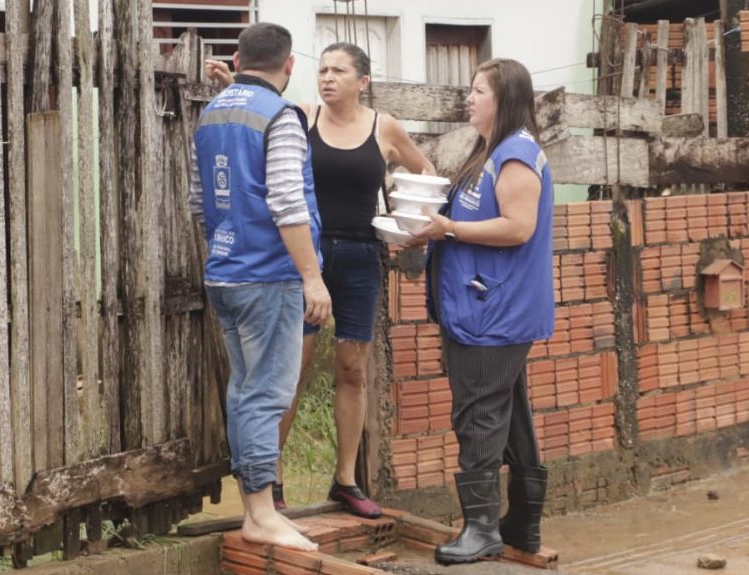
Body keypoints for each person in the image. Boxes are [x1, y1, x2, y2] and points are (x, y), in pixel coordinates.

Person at [207, 43, 436, 518]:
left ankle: (345, 481)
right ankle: (272, 483)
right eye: (322, 69)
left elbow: (426, 171)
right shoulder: (301, 116)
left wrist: (415, 221)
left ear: (362, 81)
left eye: (339, 71)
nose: (327, 78)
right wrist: (233, 88)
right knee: (290, 371)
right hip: (306, 257)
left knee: (352, 369)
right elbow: (260, 114)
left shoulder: (384, 127)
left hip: (360, 255)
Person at [190, 22, 331, 552]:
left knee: (245, 389)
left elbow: (199, 200)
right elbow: (287, 203)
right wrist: (312, 277)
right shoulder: (281, 117)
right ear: (289, 65)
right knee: (267, 394)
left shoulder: (213, 112)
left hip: (225, 271)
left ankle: (259, 509)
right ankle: (260, 513)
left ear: (237, 56)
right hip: (270, 274)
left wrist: (227, 249)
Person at [408, 58, 554, 564]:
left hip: (495, 310)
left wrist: (447, 230)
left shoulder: (514, 156)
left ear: (505, 99)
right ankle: (521, 526)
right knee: (508, 414)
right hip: (479, 304)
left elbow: (518, 227)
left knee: (478, 416)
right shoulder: (488, 152)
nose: (469, 99)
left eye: (478, 91)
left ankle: (481, 529)